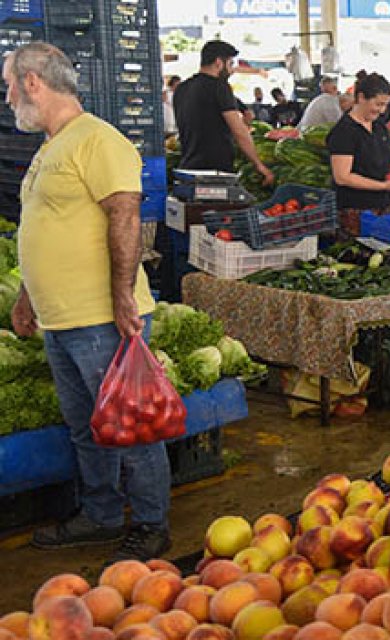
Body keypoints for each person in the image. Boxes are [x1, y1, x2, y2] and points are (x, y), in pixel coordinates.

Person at [5, 43, 173, 562]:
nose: (7, 98)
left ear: (33, 82)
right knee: (86, 428)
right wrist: (29, 296)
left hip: (102, 318)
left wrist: (123, 294)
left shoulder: (98, 139)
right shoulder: (52, 146)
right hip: (61, 320)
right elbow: (46, 228)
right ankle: (99, 515)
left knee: (132, 428)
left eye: (9, 86)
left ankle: (151, 524)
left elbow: (124, 214)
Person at [174, 40, 273, 183]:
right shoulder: (220, 87)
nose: (232, 70)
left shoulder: (182, 88)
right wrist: (259, 165)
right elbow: (239, 132)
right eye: (230, 64)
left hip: (188, 168)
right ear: (218, 62)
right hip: (215, 171)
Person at [327, 72, 390, 239]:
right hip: (356, 211)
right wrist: (384, 186)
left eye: (385, 105)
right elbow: (342, 177)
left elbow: (385, 159)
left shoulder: (378, 125)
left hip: (383, 205)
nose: (382, 110)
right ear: (361, 97)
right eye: (378, 104)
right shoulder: (344, 132)